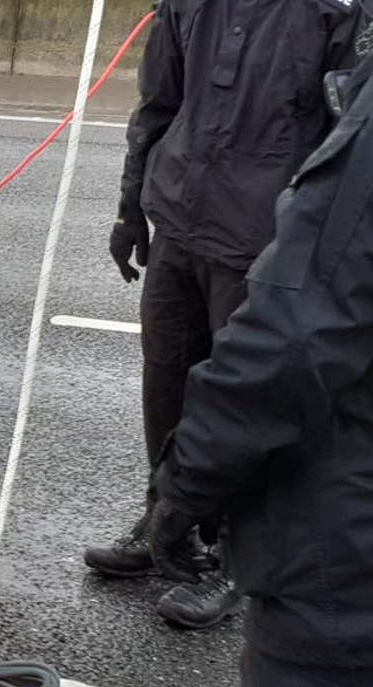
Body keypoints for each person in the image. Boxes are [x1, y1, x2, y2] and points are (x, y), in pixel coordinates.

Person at [85, 0, 362, 629]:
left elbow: (348, 139)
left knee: (248, 400)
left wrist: (315, 248)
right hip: (180, 219)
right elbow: (159, 103)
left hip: (267, 240)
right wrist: (130, 207)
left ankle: (238, 554)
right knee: (167, 380)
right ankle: (166, 519)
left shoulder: (339, 11)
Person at [145, 39, 373, 687]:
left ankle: (205, 555)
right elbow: (162, 98)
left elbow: (290, 344)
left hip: (344, 585)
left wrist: (185, 491)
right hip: (186, 216)